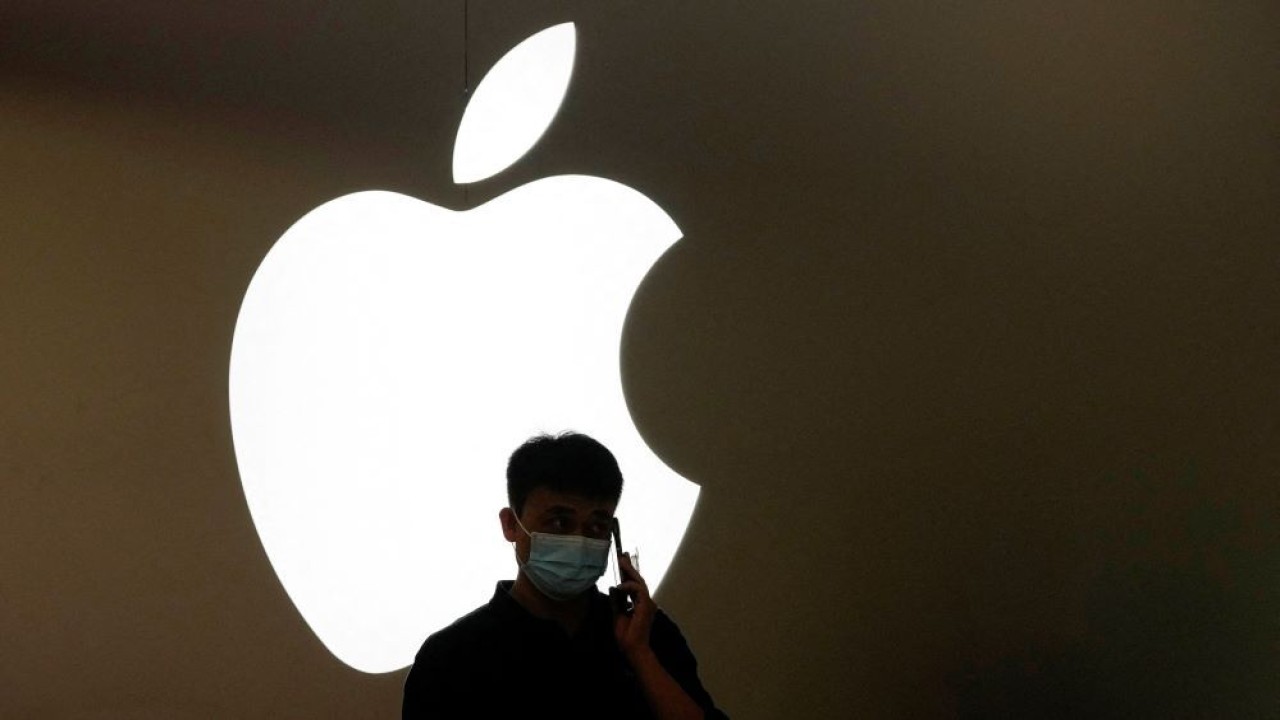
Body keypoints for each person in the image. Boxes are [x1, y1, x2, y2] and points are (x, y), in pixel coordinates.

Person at [402, 431, 727, 719]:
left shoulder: (648, 636)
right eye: (559, 522)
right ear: (511, 525)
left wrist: (640, 655)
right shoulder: (452, 657)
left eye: (597, 526)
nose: (579, 539)